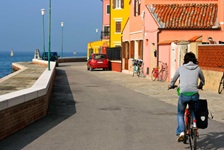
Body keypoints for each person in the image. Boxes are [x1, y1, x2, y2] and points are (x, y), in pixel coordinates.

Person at [168, 52, 205, 142]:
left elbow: (173, 79)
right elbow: (203, 80)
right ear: (194, 59)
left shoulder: (181, 68)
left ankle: (181, 132)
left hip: (184, 94)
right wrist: (200, 85)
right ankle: (195, 124)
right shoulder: (198, 69)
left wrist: (171, 85)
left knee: (180, 113)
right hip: (194, 95)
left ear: (185, 60)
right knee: (193, 109)